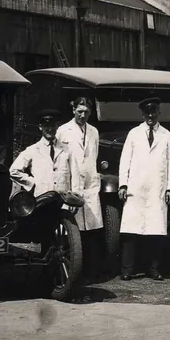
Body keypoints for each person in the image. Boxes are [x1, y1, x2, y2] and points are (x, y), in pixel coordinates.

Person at [117, 97, 170, 281]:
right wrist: (123, 185)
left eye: (154, 112)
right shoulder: (134, 134)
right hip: (136, 188)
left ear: (159, 112)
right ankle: (127, 270)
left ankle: (153, 269)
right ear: (143, 114)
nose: (150, 116)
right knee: (130, 232)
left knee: (156, 232)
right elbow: (124, 160)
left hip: (156, 189)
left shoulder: (166, 136)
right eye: (147, 113)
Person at [56, 97, 104, 272]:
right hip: (71, 185)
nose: (82, 115)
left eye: (86, 112)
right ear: (73, 110)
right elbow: (60, 162)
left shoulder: (94, 132)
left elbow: (93, 157)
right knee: (71, 231)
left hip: (89, 186)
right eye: (79, 111)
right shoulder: (62, 131)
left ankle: (90, 270)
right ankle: (72, 270)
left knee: (90, 230)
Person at [10, 109, 73, 196]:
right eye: (46, 126)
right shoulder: (33, 150)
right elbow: (13, 171)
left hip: (63, 201)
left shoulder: (67, 149)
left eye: (53, 126)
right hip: (42, 199)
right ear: (40, 127)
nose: (50, 129)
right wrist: (33, 183)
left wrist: (73, 200)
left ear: (57, 127)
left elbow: (74, 176)